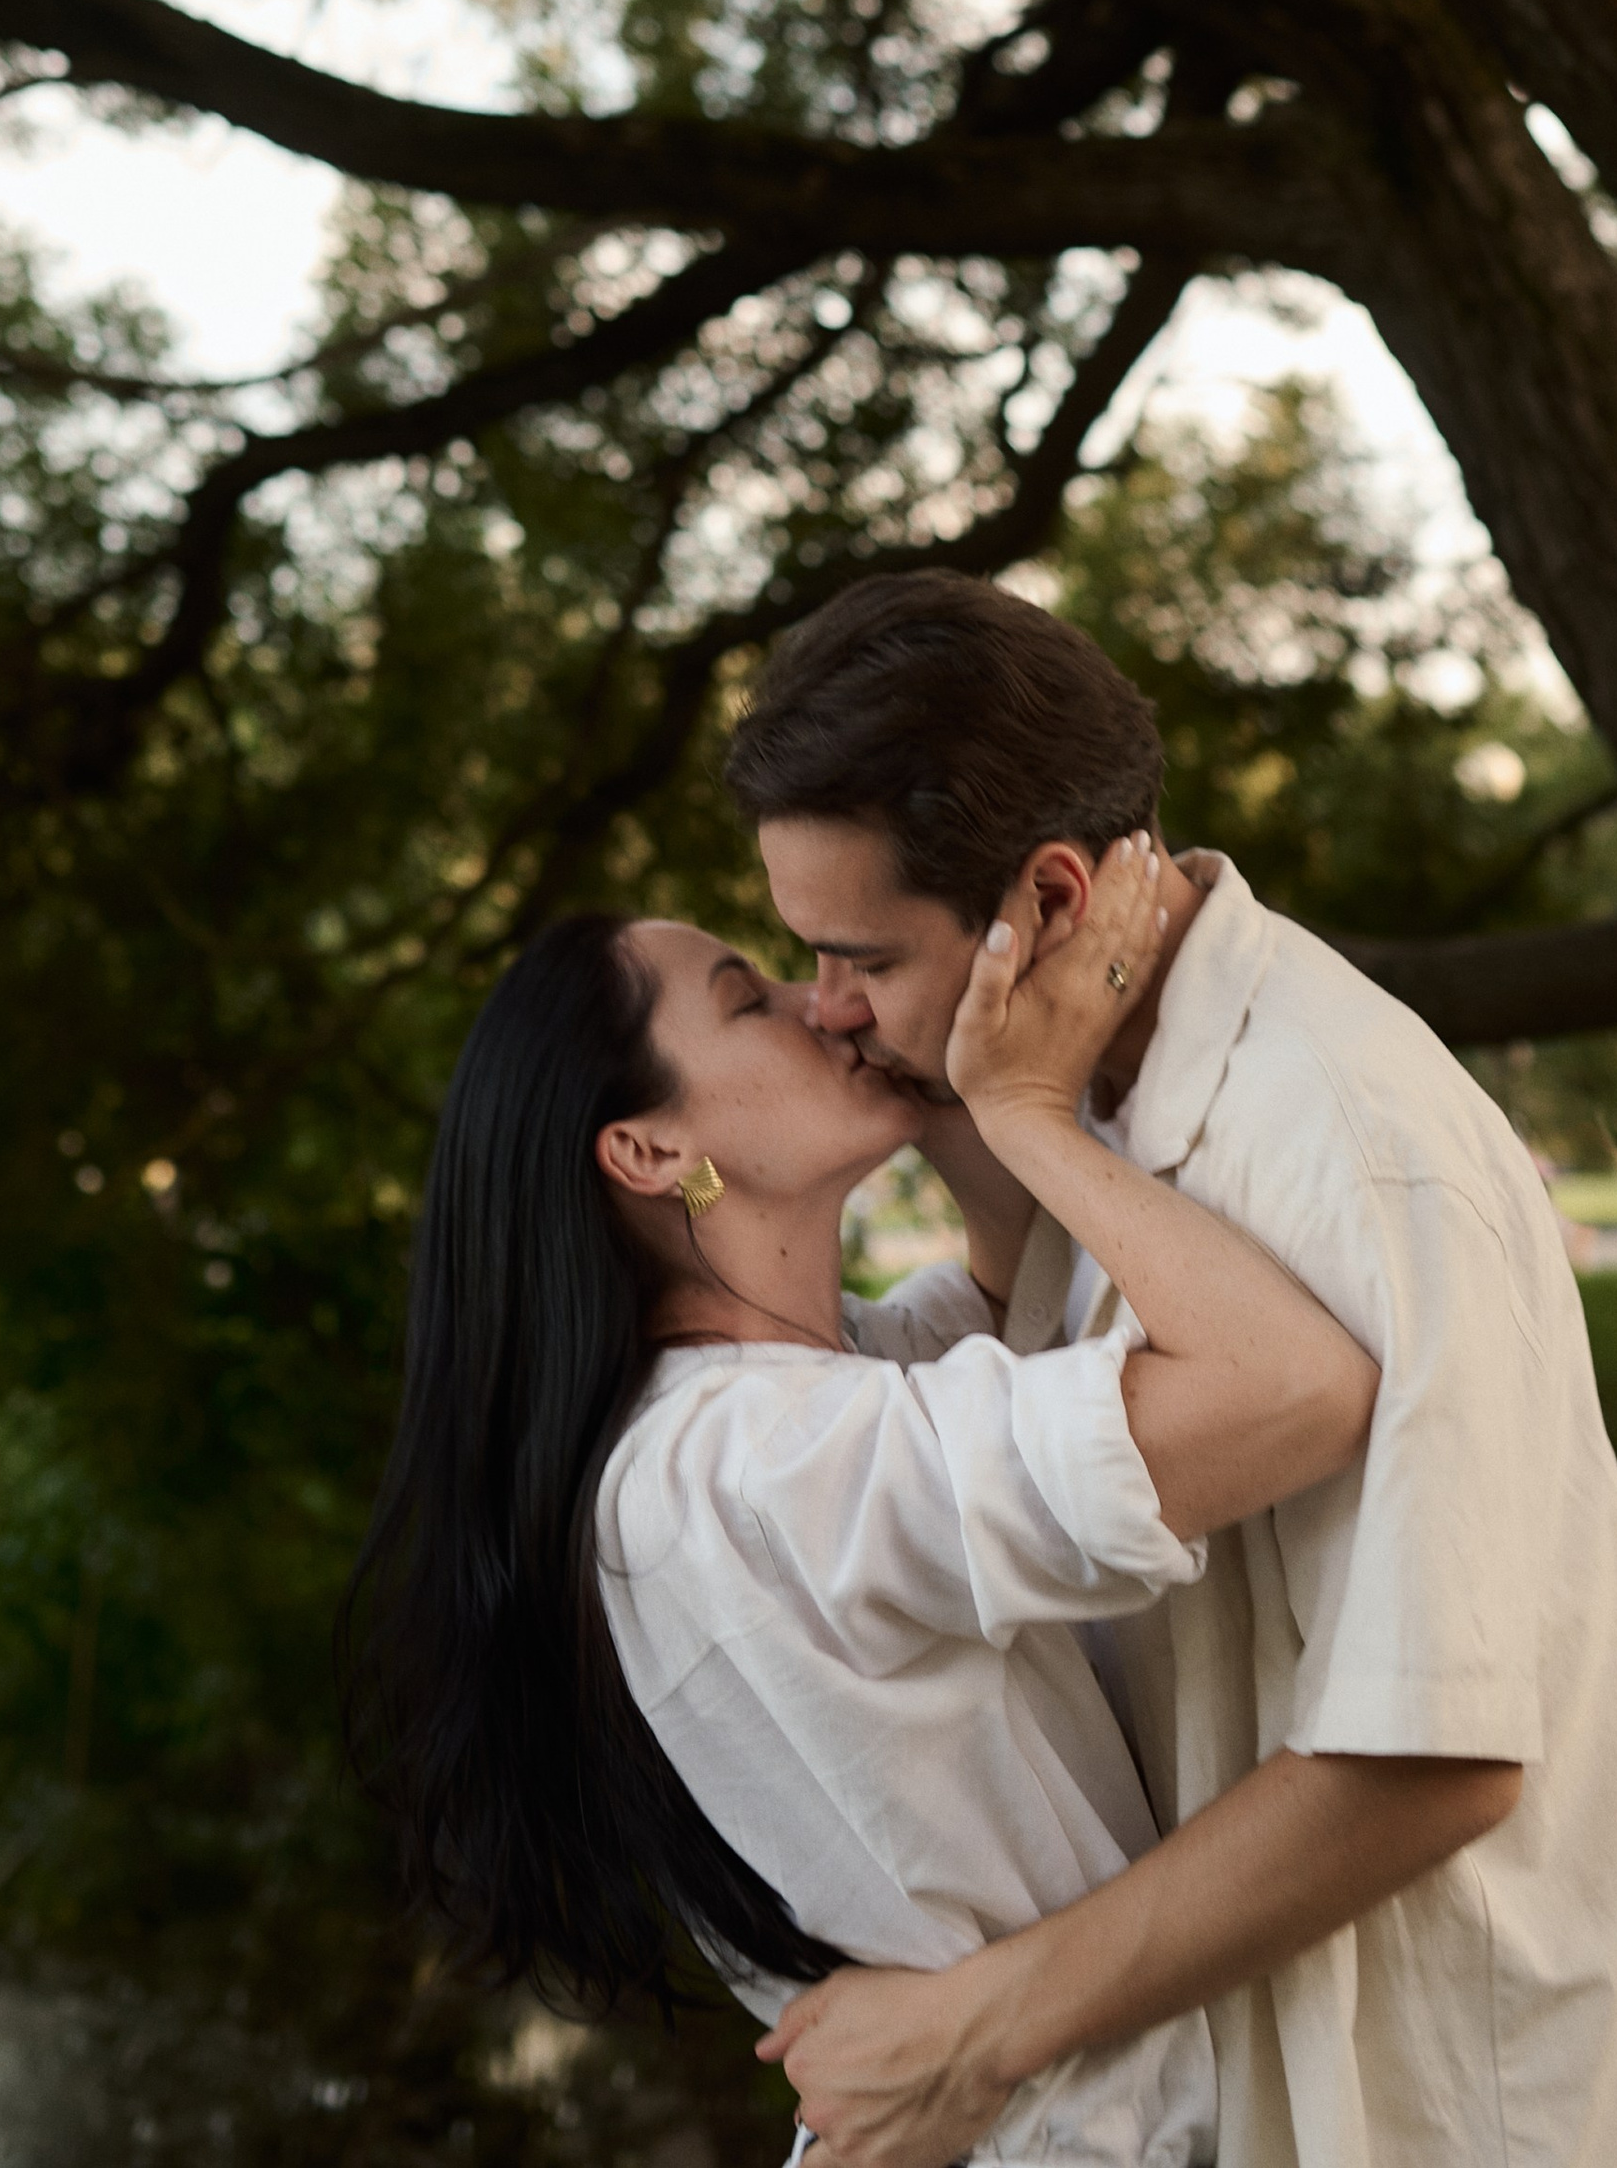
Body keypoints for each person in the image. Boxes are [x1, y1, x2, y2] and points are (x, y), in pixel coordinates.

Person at [730, 569, 1617, 2168]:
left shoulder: (1343, 1145)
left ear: (1048, 898)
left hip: (1440, 2104)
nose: (825, 1012)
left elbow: (1432, 1750)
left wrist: (978, 2028)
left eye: (858, 960)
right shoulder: (1085, 1081)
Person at [342, 828, 1380, 2167]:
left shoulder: (801, 1393)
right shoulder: (747, 1463)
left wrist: (956, 1073)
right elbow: (1291, 1385)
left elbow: (1019, 1301)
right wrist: (1025, 1112)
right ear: (654, 1150)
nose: (821, 1000)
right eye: (746, 998)